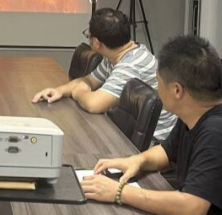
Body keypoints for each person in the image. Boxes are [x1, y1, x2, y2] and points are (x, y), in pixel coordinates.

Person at [80, 35, 222, 215]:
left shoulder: (218, 132)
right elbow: (167, 151)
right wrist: (137, 161)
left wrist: (120, 192)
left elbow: (192, 208)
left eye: (158, 81)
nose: (156, 87)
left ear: (177, 90)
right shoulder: (196, 111)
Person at [32, 8, 176, 140]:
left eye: (88, 35)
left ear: (96, 43)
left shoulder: (129, 66)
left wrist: (77, 92)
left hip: (153, 143)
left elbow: (94, 104)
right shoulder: (119, 53)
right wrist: (60, 91)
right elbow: (89, 80)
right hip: (130, 132)